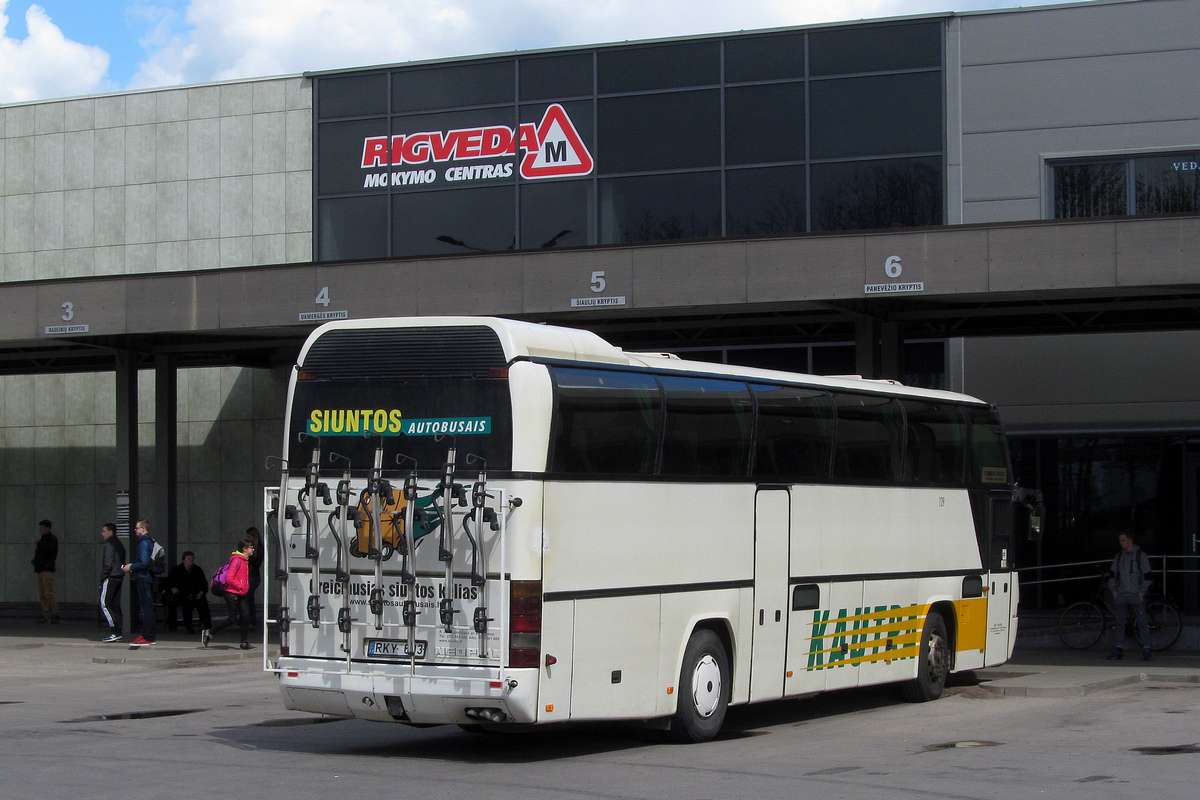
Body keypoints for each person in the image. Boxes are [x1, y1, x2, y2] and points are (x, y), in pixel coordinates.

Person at [1106, 531, 1152, 661]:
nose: (1121, 543)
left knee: (1142, 623)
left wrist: (1142, 592)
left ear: (1130, 540)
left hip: (1135, 594)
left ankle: (1146, 648)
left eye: (1123, 540)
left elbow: (1148, 575)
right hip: (1121, 594)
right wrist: (1114, 592)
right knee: (1119, 623)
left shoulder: (1140, 556)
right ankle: (1119, 649)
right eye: (1120, 540)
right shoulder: (1119, 556)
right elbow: (1112, 574)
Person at [203, 538, 254, 650]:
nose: (253, 549)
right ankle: (210, 632)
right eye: (251, 547)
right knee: (232, 618)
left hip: (240, 593)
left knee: (246, 616)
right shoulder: (237, 560)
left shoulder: (245, 561)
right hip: (232, 593)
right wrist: (240, 586)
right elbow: (230, 578)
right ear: (244, 549)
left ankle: (244, 642)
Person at [122, 519, 158, 646]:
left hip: (143, 577)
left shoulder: (144, 543)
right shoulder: (149, 541)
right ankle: (148, 635)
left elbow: (143, 562)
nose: (135, 530)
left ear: (143, 529)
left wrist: (131, 566)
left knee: (146, 608)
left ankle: (148, 636)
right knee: (147, 607)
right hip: (146, 577)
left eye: (137, 528)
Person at [165, 551, 211, 635]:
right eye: (188, 559)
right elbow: (169, 583)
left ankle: (208, 628)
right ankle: (189, 627)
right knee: (186, 606)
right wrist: (173, 588)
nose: (191, 560)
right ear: (184, 560)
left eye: (192, 558)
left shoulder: (197, 569)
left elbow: (204, 584)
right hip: (183, 594)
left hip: (196, 594)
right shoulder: (176, 570)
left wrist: (201, 592)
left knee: (204, 606)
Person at [99, 523, 126, 642]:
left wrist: (103, 577)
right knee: (115, 605)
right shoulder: (119, 544)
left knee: (105, 603)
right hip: (119, 576)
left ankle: (114, 630)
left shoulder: (109, 544)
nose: (102, 533)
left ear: (111, 532)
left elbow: (108, 563)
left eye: (104, 531)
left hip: (111, 577)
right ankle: (119, 631)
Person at [32, 519, 60, 624]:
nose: (41, 530)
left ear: (48, 528)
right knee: (42, 593)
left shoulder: (51, 539)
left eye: (42, 528)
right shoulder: (42, 540)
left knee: (48, 593)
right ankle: (46, 615)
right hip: (40, 569)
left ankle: (55, 614)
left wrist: (39, 544)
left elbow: (51, 552)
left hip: (47, 569)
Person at [244, 526, 264, 625]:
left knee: (246, 598)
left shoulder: (258, 548)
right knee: (250, 599)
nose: (248, 540)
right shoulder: (253, 548)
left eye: (250, 537)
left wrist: (249, 557)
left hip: (253, 576)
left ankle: (244, 620)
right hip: (249, 576)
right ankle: (252, 620)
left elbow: (257, 563)